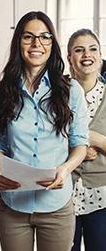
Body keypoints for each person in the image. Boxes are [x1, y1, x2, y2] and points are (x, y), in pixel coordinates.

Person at [0, 11, 88, 251]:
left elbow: (80, 143)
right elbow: (0, 141)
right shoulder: (1, 91)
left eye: (45, 37)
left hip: (56, 207)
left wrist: (65, 170)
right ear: (18, 43)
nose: (37, 44)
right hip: (13, 206)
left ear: (52, 44)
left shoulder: (70, 90)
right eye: (28, 37)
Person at [67, 29, 106, 251]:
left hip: (102, 197)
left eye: (92, 49)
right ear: (69, 58)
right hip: (61, 195)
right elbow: (40, 140)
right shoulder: (56, 94)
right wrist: (77, 148)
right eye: (78, 50)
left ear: (100, 55)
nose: (86, 55)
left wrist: (98, 140)